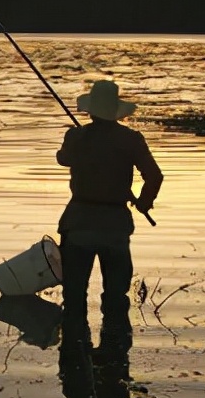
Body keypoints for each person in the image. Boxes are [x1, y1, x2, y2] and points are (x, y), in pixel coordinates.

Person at [55, 80, 162, 364]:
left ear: (90, 111)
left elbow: (62, 159)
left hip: (78, 225)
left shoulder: (76, 137)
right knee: (115, 298)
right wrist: (144, 201)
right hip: (115, 225)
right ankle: (115, 363)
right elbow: (154, 176)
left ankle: (76, 365)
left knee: (74, 297)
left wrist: (77, 138)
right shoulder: (131, 139)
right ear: (116, 110)